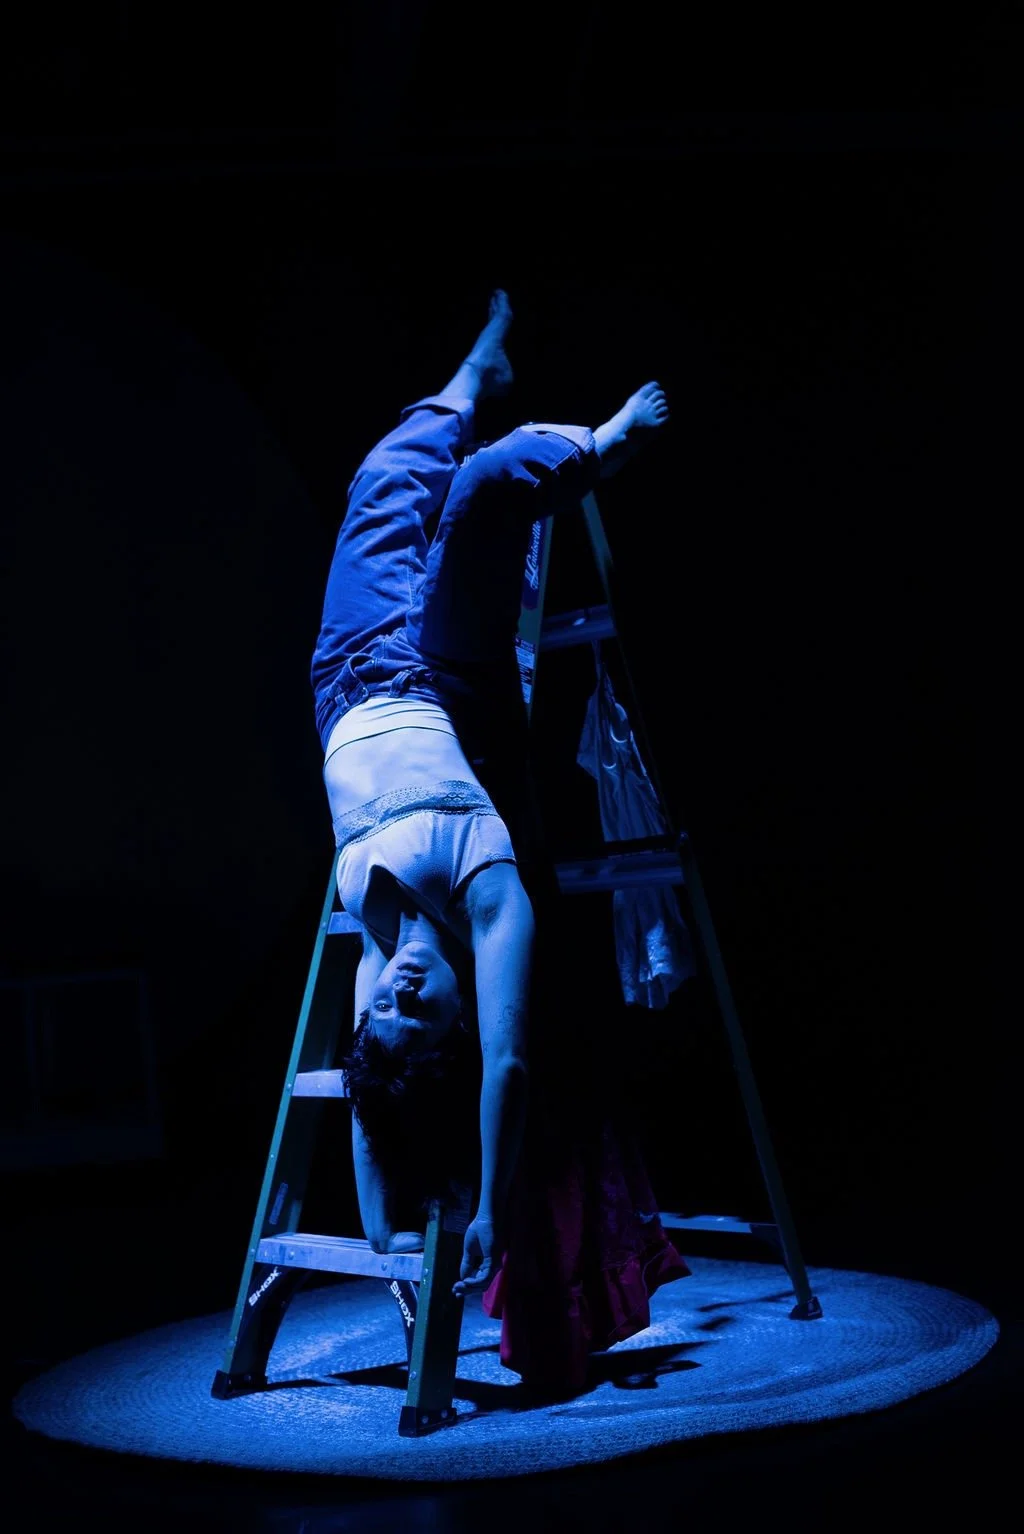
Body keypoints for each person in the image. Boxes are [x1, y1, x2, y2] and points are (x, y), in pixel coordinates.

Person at [311, 289, 689, 1395]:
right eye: (420, 1002)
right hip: (450, 684)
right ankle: (594, 446)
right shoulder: (487, 900)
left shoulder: (378, 968)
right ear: (455, 1013)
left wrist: (385, 1244)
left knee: (380, 488)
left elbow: (369, 1119)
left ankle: (469, 378)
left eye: (387, 999)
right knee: (479, 493)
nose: (400, 984)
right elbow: (509, 1065)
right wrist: (475, 1201)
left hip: (346, 683)